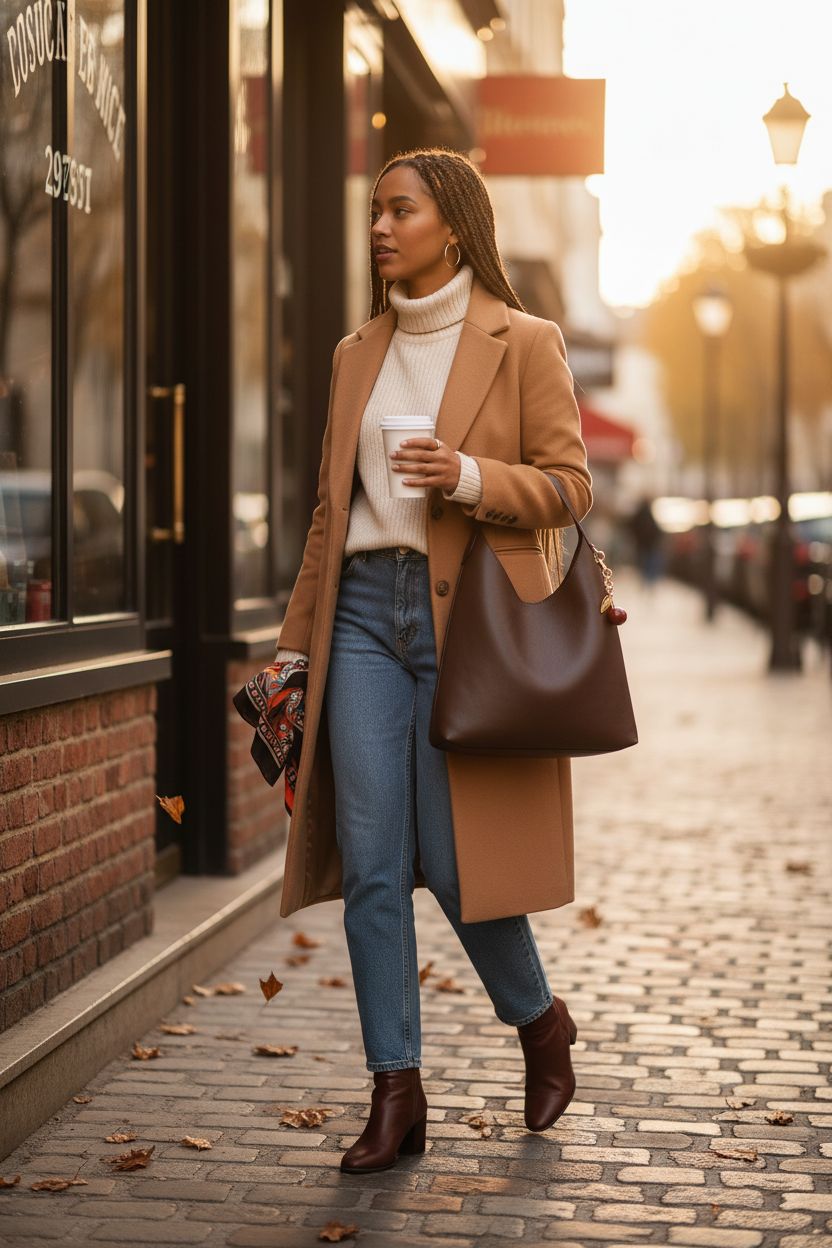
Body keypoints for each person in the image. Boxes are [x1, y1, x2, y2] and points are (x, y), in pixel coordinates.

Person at [272, 147, 592, 1174]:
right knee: (372, 862)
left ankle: (539, 1022)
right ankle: (395, 1092)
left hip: (470, 627)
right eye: (374, 211)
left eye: (398, 210)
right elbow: (332, 514)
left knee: (456, 865)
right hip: (362, 618)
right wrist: (292, 648)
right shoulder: (354, 354)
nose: (378, 226)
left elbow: (569, 486)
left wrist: (465, 475)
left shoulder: (524, 340)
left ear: (451, 225)